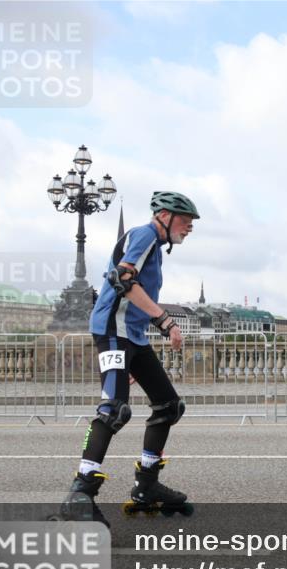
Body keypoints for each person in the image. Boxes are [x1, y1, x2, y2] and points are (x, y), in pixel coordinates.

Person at [58, 191, 200, 525]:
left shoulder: (156, 247)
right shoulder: (144, 234)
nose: (190, 227)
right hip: (112, 331)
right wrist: (165, 321)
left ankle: (146, 485)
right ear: (164, 215)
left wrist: (152, 326)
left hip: (132, 337)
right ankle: (80, 492)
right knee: (114, 410)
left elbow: (140, 296)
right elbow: (122, 279)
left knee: (169, 406)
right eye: (185, 220)